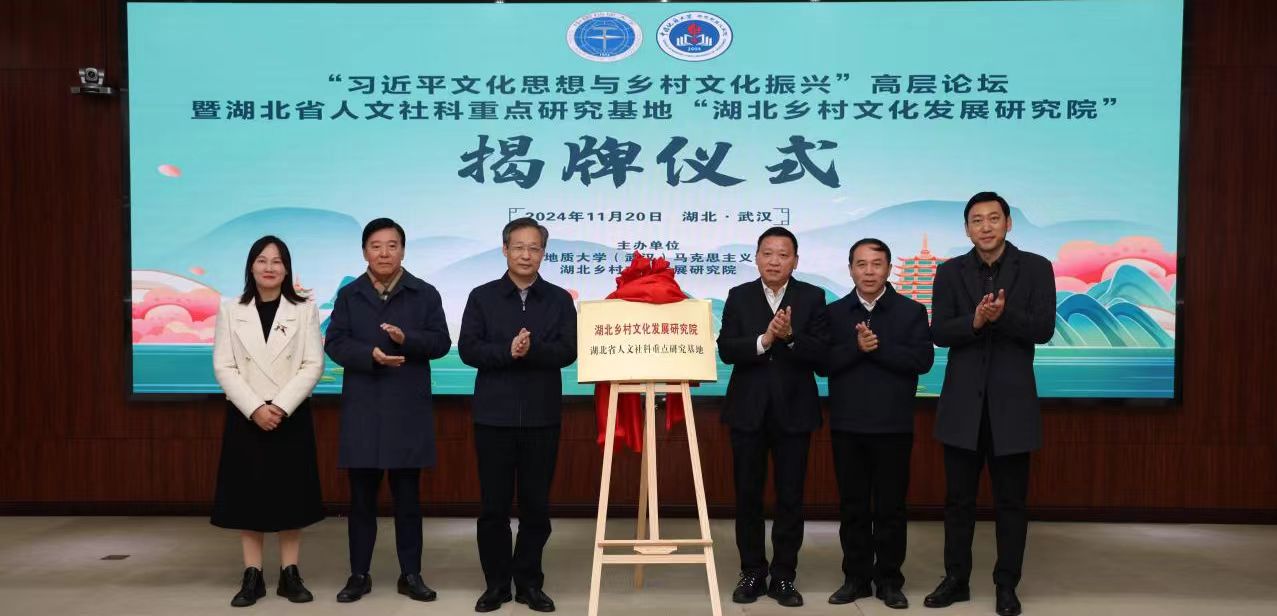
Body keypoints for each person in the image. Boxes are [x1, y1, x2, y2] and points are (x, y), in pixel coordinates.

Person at [923, 192, 1056, 616]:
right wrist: (976, 321)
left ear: (1008, 223)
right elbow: (940, 332)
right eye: (977, 220)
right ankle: (956, 580)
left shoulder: (1036, 268)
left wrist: (1004, 316)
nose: (985, 226)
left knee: (1011, 503)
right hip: (963, 406)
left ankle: (1006, 584)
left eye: (993, 218)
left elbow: (1044, 329)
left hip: (1011, 407)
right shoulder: (949, 272)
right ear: (967, 229)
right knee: (958, 501)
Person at [324, 218, 452, 603]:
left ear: (403, 250)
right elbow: (334, 343)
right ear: (365, 251)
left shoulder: (424, 293)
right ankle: (358, 575)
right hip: (363, 410)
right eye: (376, 246)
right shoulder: (349, 295)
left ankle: (411, 574)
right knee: (361, 502)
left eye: (392, 245)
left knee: (408, 501)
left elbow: (441, 343)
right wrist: (370, 355)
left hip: (406, 412)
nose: (384, 253)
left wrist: (406, 339)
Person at [459, 217, 577, 613]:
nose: (526, 255)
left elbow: (569, 351)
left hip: (542, 417)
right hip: (493, 418)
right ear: (505, 250)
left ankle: (529, 582)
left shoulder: (558, 299)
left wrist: (533, 349)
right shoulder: (482, 297)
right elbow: (469, 349)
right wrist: (507, 352)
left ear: (543, 253)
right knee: (493, 508)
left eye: (534, 248)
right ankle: (496, 584)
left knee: (535, 507)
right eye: (519, 247)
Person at [716, 226, 828, 608]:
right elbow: (726, 349)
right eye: (767, 253)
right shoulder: (739, 295)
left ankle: (783, 576)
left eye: (783, 254)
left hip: (794, 412)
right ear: (756, 257)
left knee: (790, 498)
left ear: (795, 260)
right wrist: (765, 340)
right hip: (747, 412)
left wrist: (792, 336)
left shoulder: (812, 297)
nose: (775, 261)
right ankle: (751, 571)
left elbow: (823, 356)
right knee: (747, 496)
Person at [211, 235, 325, 607]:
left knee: (291, 494)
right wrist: (255, 408)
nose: (269, 267)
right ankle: (252, 575)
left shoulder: (304, 310)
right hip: (246, 415)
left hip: (290, 414)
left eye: (277, 261)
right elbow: (224, 366)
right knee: (249, 495)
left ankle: (290, 573)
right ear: (251, 266)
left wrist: (280, 406)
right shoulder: (231, 309)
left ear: (287, 269)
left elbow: (313, 364)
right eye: (262, 260)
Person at [823, 238, 934, 609]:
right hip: (847, 426)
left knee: (891, 509)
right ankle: (855, 578)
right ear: (850, 269)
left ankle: (889, 581)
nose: (869, 272)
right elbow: (823, 363)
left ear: (888, 268)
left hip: (893, 427)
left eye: (876, 264)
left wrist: (879, 347)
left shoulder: (911, 311)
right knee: (852, 507)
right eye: (861, 264)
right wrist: (857, 349)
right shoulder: (836, 312)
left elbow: (922, 361)